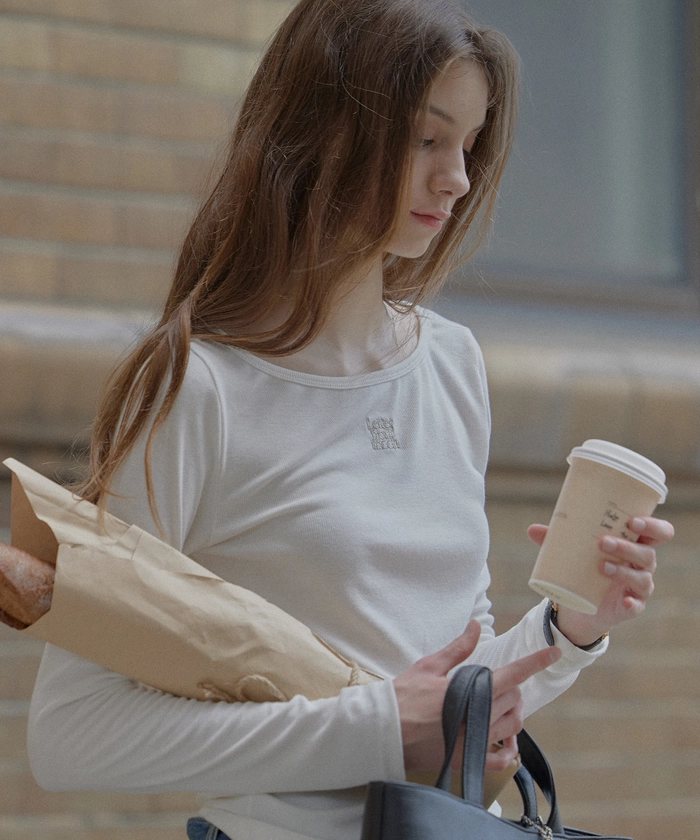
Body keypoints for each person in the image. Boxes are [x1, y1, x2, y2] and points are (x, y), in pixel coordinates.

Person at [25, 1, 674, 838]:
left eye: (469, 145)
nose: (458, 179)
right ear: (322, 130)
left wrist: (572, 627)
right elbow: (71, 738)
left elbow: (446, 699)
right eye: (425, 140)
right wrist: (374, 728)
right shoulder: (198, 388)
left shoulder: (451, 364)